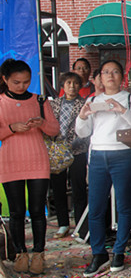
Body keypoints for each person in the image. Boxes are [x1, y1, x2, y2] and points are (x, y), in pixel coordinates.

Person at [76, 60, 131, 277]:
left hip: (123, 154)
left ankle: (119, 251)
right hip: (98, 156)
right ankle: (98, 253)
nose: (110, 76)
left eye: (115, 72)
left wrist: (122, 110)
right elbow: (82, 132)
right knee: (96, 208)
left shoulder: (130, 98)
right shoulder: (92, 100)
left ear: (122, 76)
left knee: (123, 205)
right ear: (99, 77)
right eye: (106, 72)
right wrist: (83, 116)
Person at [0, 59, 60, 274]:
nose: (22, 86)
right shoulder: (1, 101)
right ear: (5, 79)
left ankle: (38, 254)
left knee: (37, 210)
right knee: (16, 211)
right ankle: (20, 253)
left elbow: (54, 130)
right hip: (10, 161)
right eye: (16, 82)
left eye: (26, 81)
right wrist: (11, 128)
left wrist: (42, 123)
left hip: (37, 159)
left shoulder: (40, 100)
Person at [49, 72, 89, 240]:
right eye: (68, 83)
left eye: (75, 83)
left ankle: (80, 225)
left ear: (80, 86)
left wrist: (71, 145)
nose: (72, 86)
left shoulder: (85, 104)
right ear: (62, 86)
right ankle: (63, 224)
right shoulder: (53, 104)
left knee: (78, 188)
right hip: (58, 153)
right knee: (58, 188)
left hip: (77, 151)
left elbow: (87, 129)